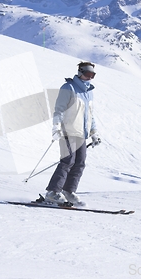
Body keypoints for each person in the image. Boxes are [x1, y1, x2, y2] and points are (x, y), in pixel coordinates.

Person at [45, 62, 101, 206]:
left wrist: (94, 133)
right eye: (88, 74)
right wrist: (56, 127)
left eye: (93, 75)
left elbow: (90, 115)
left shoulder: (89, 92)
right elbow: (59, 109)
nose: (90, 78)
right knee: (67, 161)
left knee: (80, 163)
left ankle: (68, 191)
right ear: (80, 72)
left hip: (81, 133)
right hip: (67, 131)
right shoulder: (68, 87)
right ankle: (52, 192)